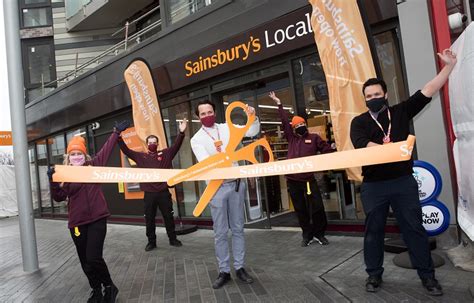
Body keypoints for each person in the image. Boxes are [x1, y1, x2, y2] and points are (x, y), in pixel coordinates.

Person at [350, 49, 457, 296]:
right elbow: (362, 144)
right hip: (374, 186)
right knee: (373, 231)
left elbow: (428, 90)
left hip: (403, 183)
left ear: (385, 95)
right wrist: (394, 149)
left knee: (414, 229)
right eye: (369, 96)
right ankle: (374, 275)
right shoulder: (359, 122)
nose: (373, 98)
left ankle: (428, 277)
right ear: (364, 99)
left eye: (377, 94)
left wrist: (449, 67)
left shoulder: (400, 112)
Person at [47, 120, 130, 303]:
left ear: (85, 155)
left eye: (79, 153)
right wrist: (53, 180)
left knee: (93, 257)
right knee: (85, 260)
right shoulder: (65, 174)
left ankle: (109, 286)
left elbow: (107, 149)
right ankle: (96, 290)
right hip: (77, 223)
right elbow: (59, 197)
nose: (77, 156)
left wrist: (116, 132)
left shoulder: (93, 166)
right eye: (73, 154)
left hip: (97, 219)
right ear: (68, 156)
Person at [190, 100, 259, 289]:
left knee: (237, 228)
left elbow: (251, 131)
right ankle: (224, 271)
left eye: (209, 112)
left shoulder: (228, 128)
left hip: (236, 185)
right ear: (198, 117)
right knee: (220, 232)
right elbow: (206, 163)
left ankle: (239, 267)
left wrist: (252, 117)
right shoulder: (196, 139)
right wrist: (227, 157)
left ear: (215, 112)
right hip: (216, 188)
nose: (207, 116)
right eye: (203, 114)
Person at [269, 91, 336, 247]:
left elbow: (326, 150)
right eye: (296, 126)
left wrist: (333, 148)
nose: (299, 127)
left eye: (301, 124)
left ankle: (320, 234)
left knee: (317, 208)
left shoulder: (314, 138)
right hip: (293, 181)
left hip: (309, 180)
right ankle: (307, 235)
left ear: (305, 124)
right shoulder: (291, 138)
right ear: (293, 128)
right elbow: (285, 122)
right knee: (300, 209)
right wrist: (279, 104)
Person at [117, 119, 188, 251]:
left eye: (154, 143)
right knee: (149, 218)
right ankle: (151, 242)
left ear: (158, 143)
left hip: (163, 193)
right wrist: (118, 136)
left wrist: (181, 133)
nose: (152, 144)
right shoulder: (141, 156)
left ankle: (172, 239)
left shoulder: (166, 154)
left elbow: (176, 146)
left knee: (168, 216)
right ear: (146, 144)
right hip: (149, 194)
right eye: (150, 143)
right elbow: (126, 151)